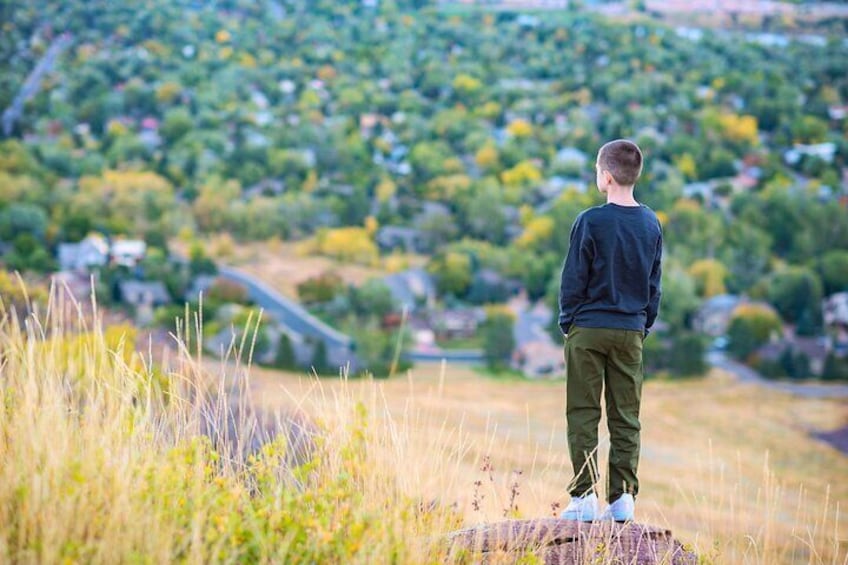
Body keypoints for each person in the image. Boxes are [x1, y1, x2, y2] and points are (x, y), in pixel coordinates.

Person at [557, 139, 662, 522]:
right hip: (630, 331)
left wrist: (568, 321)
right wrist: (642, 323)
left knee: (583, 411)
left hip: (588, 328)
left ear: (605, 176)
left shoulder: (590, 221)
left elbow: (573, 278)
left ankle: (584, 497)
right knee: (626, 415)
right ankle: (622, 500)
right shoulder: (651, 222)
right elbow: (654, 283)